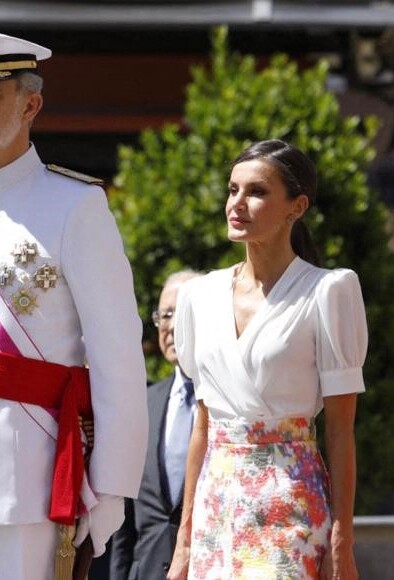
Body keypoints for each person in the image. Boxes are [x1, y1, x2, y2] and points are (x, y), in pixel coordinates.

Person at [167, 139, 368, 580]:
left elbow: (339, 428)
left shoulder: (330, 290)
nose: (237, 203)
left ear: (296, 207)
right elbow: (201, 427)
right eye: (232, 190)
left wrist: (342, 538)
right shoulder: (197, 296)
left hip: (291, 498)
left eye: (256, 192)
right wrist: (184, 540)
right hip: (216, 503)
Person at [0, 33, 148, 579]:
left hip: (24, 474)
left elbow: (116, 355)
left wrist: (109, 486)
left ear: (29, 104)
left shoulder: (74, 205)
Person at [110, 270, 201, 580]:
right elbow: (126, 517)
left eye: (184, 312)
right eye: (165, 314)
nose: (172, 325)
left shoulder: (232, 405)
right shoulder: (143, 402)